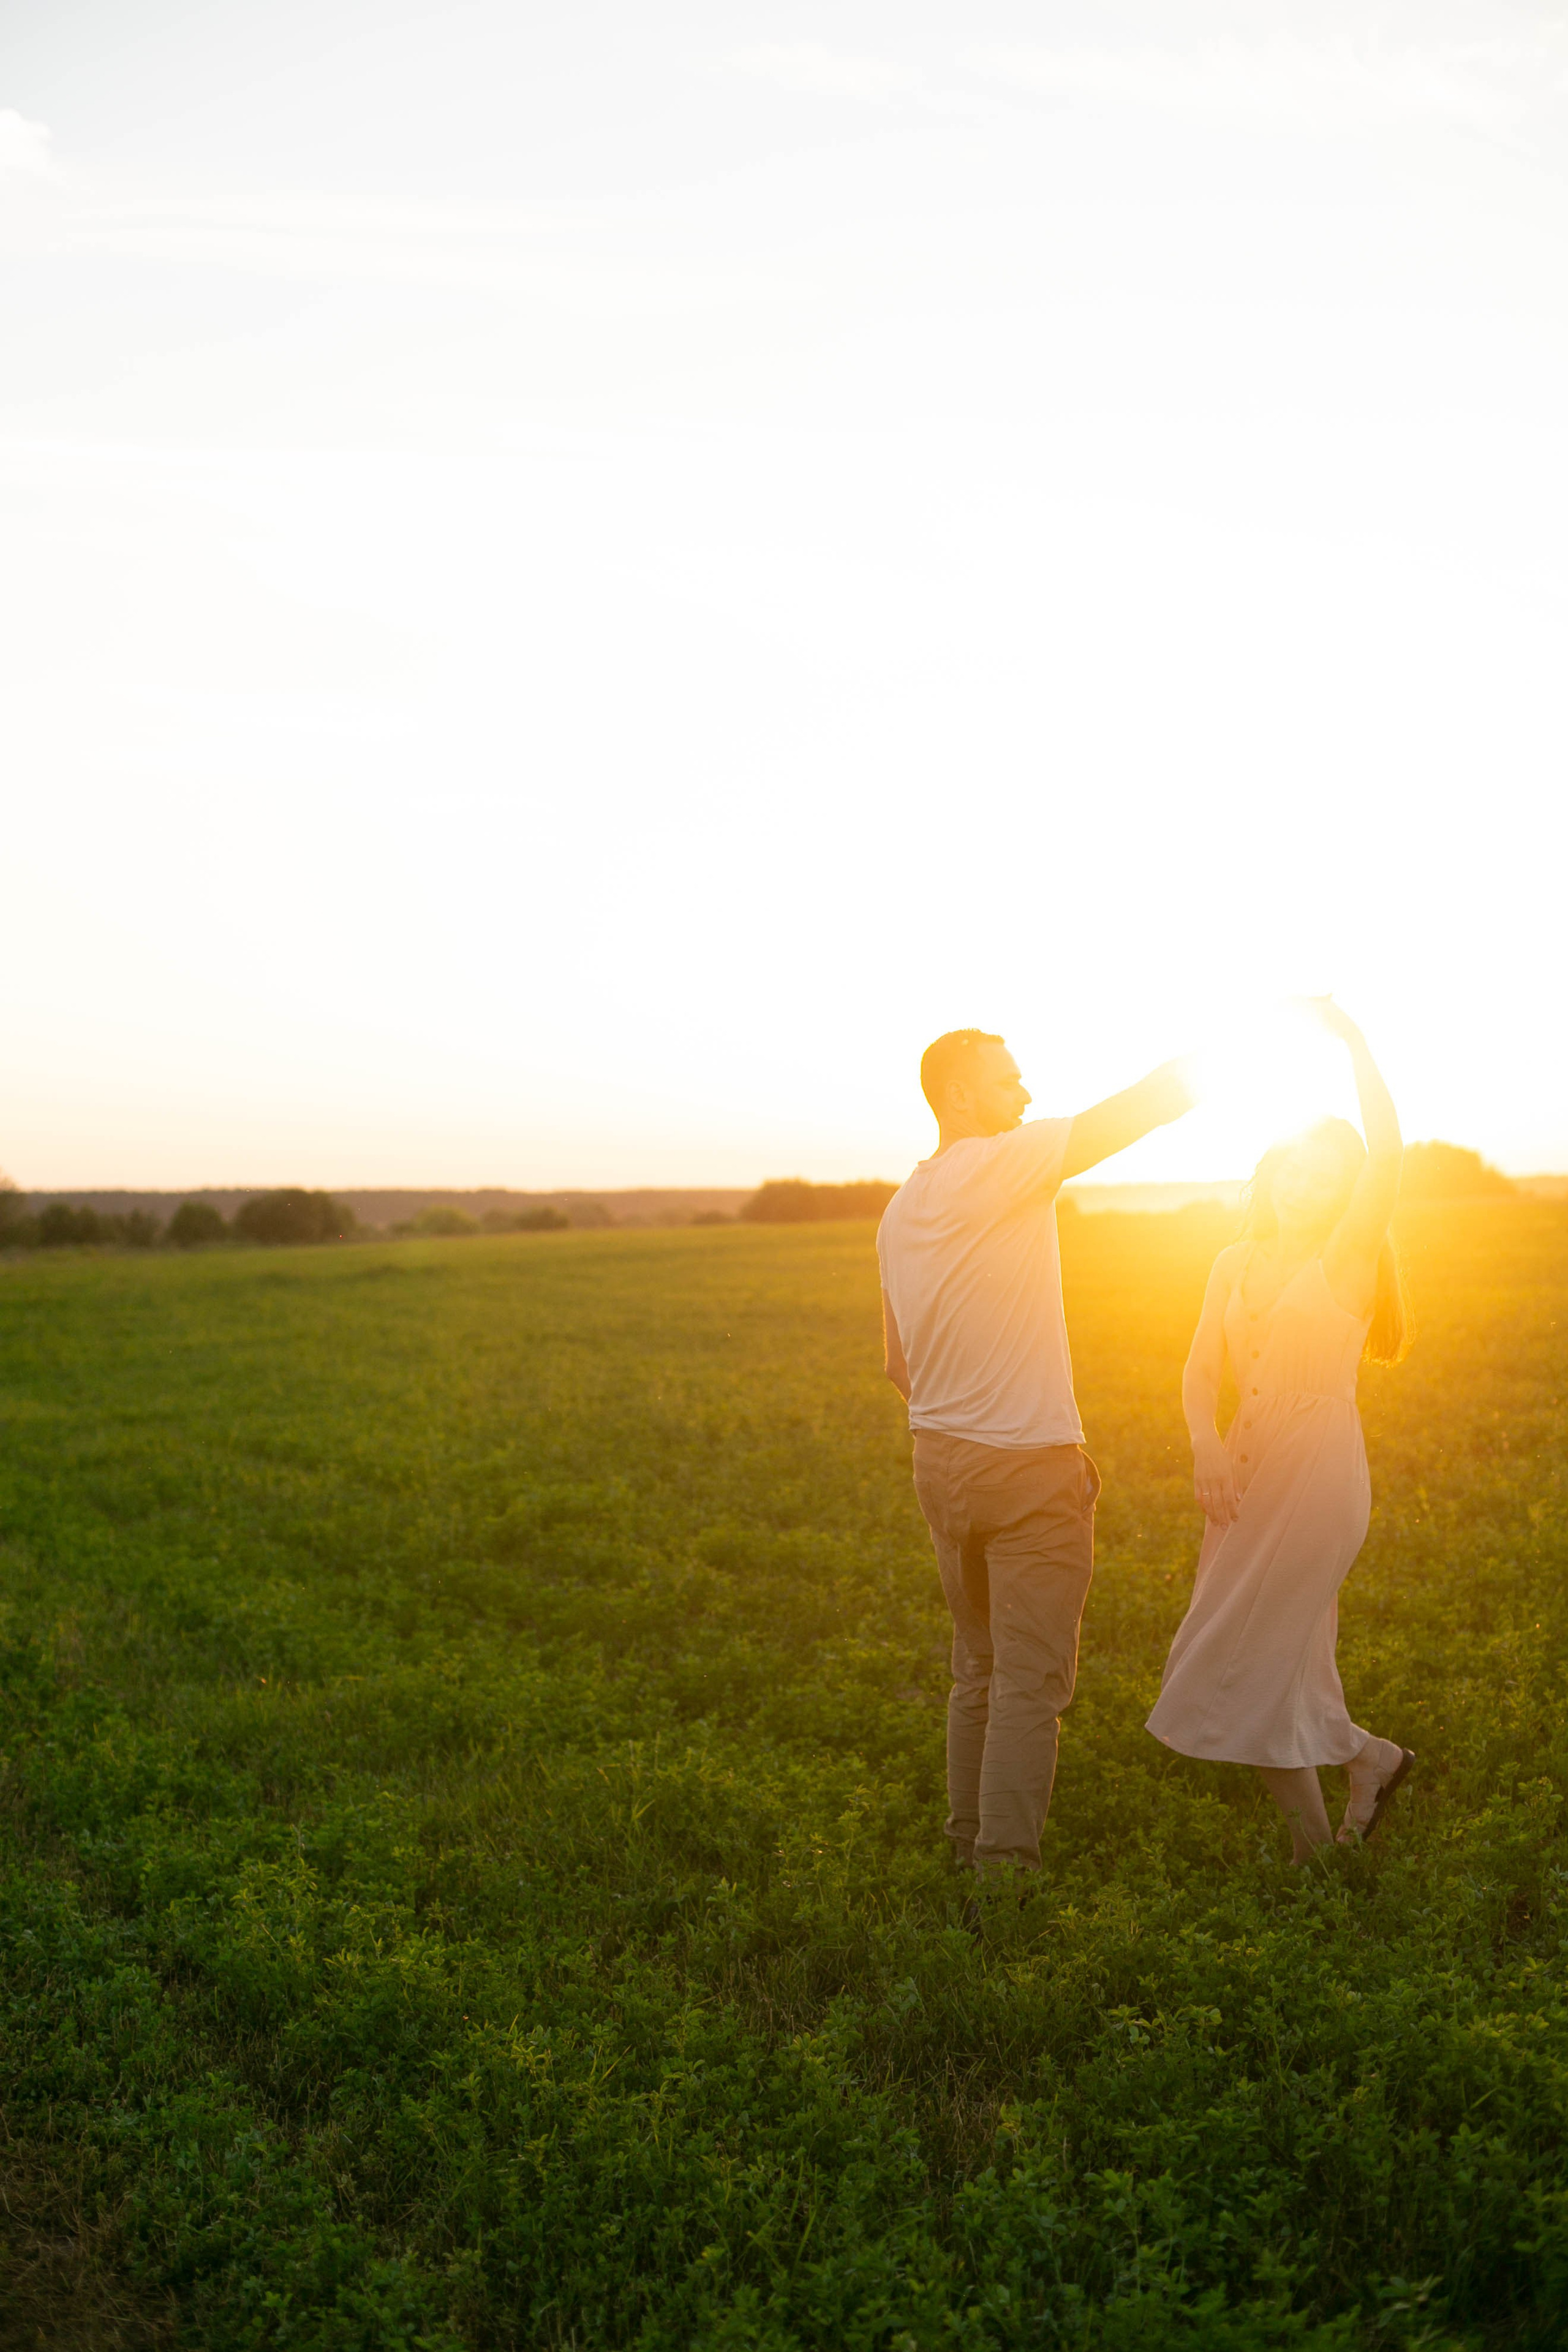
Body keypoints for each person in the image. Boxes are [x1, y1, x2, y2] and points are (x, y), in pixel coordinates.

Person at [879, 1028, 1195, 1879]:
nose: (1025, 1096)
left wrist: (967, 1414)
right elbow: (1137, 1113)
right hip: (1026, 1467)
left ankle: (963, 1847)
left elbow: (895, 1364)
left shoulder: (899, 1210)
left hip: (938, 1464)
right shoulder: (1003, 1162)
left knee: (976, 1669)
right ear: (959, 1097)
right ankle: (1005, 1879)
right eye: (1010, 1081)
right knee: (1029, 1683)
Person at [1146, 1000, 1414, 1863]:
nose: (1306, 1187)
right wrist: (1205, 1441)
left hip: (1319, 1479)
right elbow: (1196, 1374)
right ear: (1269, 1173)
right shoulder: (1230, 1263)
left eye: (1325, 1179)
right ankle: (1369, 1761)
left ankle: (1314, 1862)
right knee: (1265, 1655)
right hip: (1243, 1475)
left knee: (1253, 1661)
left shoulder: (1349, 1258)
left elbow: (1390, 1156)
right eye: (1294, 1171)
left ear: (1343, 1193)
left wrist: (1356, 1045)